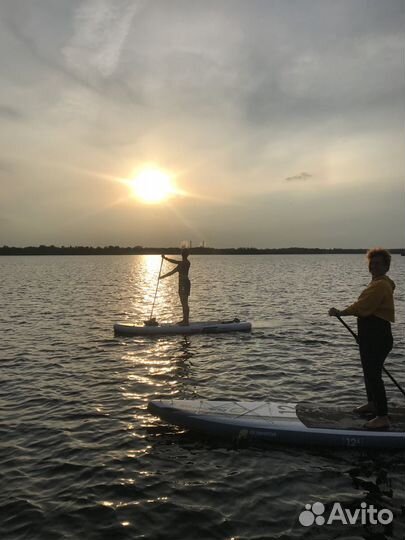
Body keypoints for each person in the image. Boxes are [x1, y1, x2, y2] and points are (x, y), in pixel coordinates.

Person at [328, 248, 395, 429]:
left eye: (378, 264)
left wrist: (340, 312)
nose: (373, 266)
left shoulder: (380, 285)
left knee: (373, 375)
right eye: (371, 263)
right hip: (371, 335)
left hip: (377, 336)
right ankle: (373, 403)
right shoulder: (381, 282)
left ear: (386, 266)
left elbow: (362, 306)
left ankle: (382, 417)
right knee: (369, 372)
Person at [159, 249, 191, 325]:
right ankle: (185, 320)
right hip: (183, 283)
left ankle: (186, 321)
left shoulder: (184, 263)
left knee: (184, 302)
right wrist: (162, 276)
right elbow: (173, 269)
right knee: (183, 302)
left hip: (184, 283)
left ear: (182, 255)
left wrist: (165, 258)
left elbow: (173, 266)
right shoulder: (183, 264)